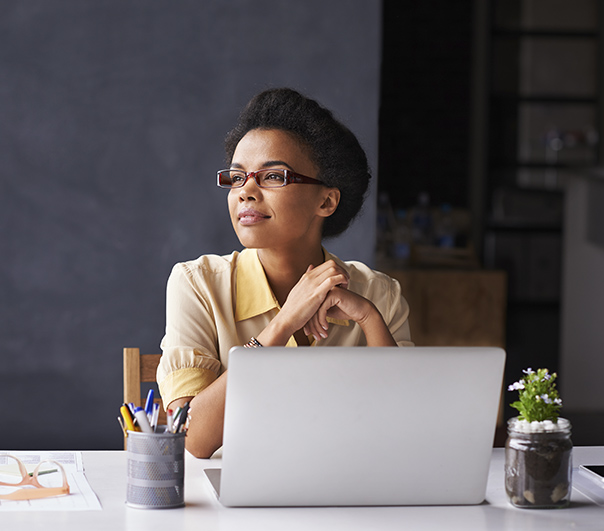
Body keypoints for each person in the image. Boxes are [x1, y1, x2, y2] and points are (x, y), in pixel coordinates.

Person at [157, 88, 413, 458]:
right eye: (237, 177)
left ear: (326, 200)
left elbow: (406, 427)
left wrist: (369, 318)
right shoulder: (197, 283)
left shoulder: (378, 293)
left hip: (351, 498)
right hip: (230, 505)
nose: (245, 191)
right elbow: (192, 438)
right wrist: (283, 324)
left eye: (273, 176)